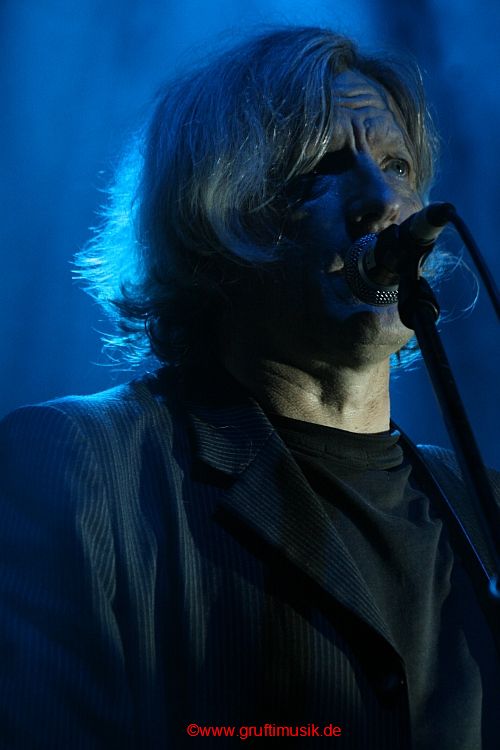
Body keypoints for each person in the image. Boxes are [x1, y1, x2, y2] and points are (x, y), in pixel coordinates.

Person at [0, 26, 498, 750]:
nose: (383, 199)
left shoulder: (484, 507)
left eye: (397, 164)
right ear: (211, 217)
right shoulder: (75, 467)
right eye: (320, 168)